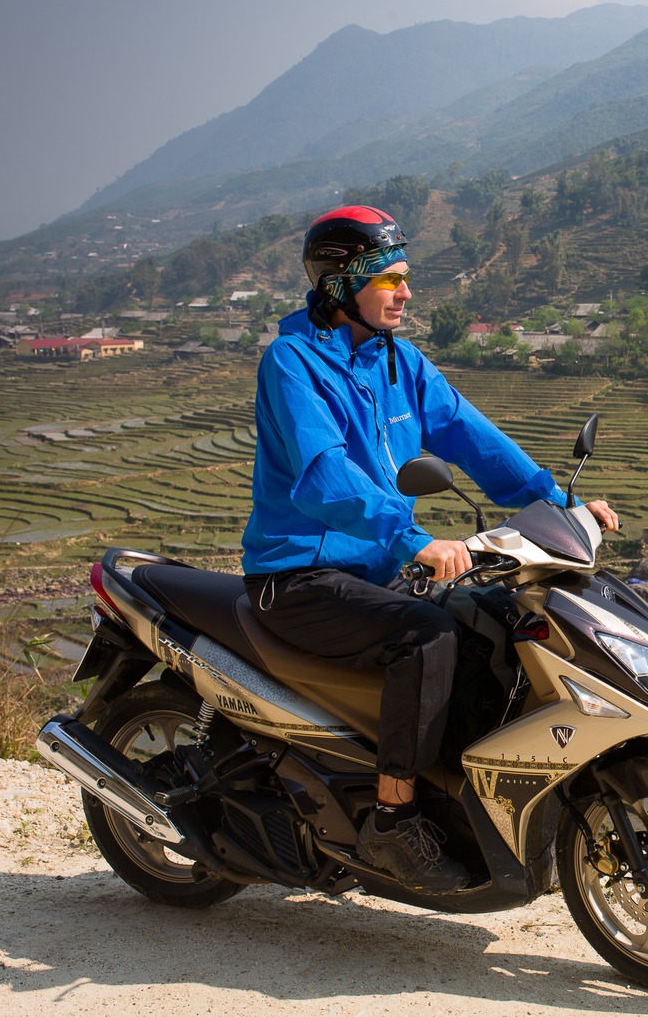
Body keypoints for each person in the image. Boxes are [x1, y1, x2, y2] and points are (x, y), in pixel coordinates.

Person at [241, 205, 617, 892]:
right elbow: (325, 476)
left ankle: (459, 801)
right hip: (299, 575)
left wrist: (559, 503)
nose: (406, 293)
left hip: (377, 569)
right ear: (340, 284)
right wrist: (412, 538)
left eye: (405, 277)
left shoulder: (401, 362)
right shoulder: (292, 363)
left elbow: (476, 439)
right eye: (389, 279)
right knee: (428, 636)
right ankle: (391, 820)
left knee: (495, 625)